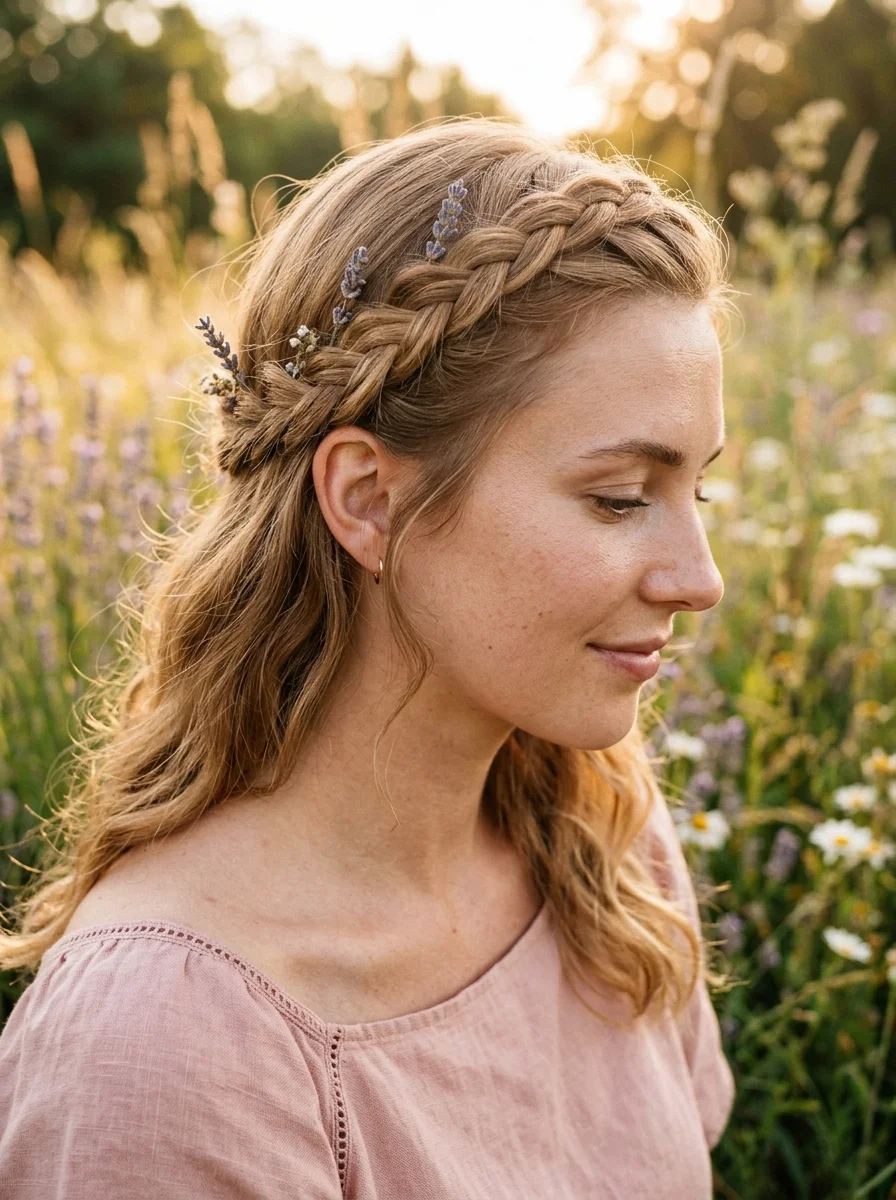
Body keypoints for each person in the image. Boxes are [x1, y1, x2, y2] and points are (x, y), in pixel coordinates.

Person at [0, 116, 737, 1198]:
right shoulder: (172, 1043)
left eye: (698, 490)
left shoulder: (602, 835)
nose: (699, 577)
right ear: (366, 500)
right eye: (618, 498)